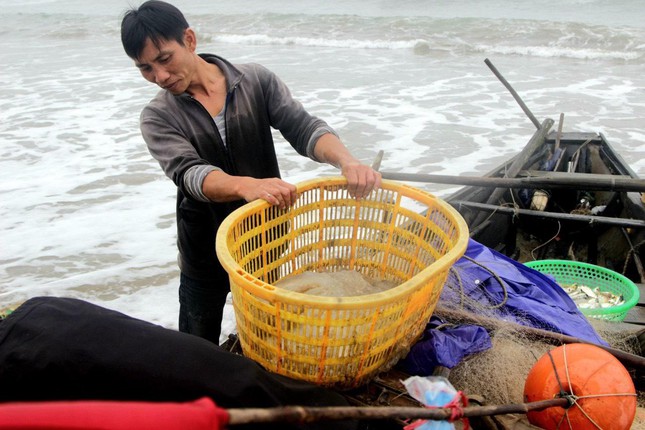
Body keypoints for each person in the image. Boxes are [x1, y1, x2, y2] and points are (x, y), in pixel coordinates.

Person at [120, 1, 381, 344]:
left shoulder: (254, 80)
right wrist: (246, 186)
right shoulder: (158, 116)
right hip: (205, 246)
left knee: (264, 335)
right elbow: (191, 175)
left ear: (189, 39)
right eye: (145, 69)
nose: (160, 77)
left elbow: (304, 128)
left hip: (264, 241)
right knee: (197, 347)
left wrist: (347, 161)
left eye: (164, 59)